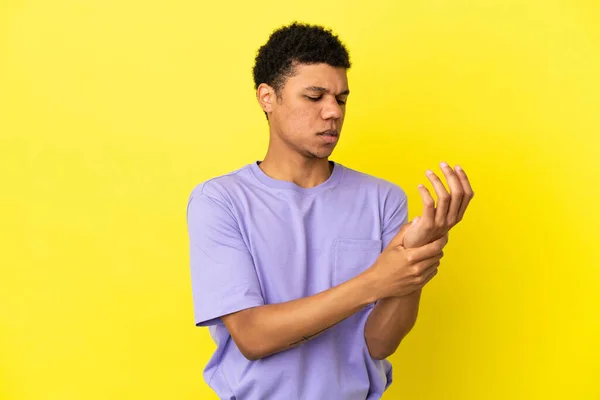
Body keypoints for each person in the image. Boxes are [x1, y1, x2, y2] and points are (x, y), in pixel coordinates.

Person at [186, 22, 474, 400]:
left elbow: (379, 343)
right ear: (267, 97)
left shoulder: (382, 198)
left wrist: (417, 259)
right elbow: (253, 336)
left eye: (340, 99)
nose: (332, 113)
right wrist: (375, 280)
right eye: (314, 96)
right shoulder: (220, 201)